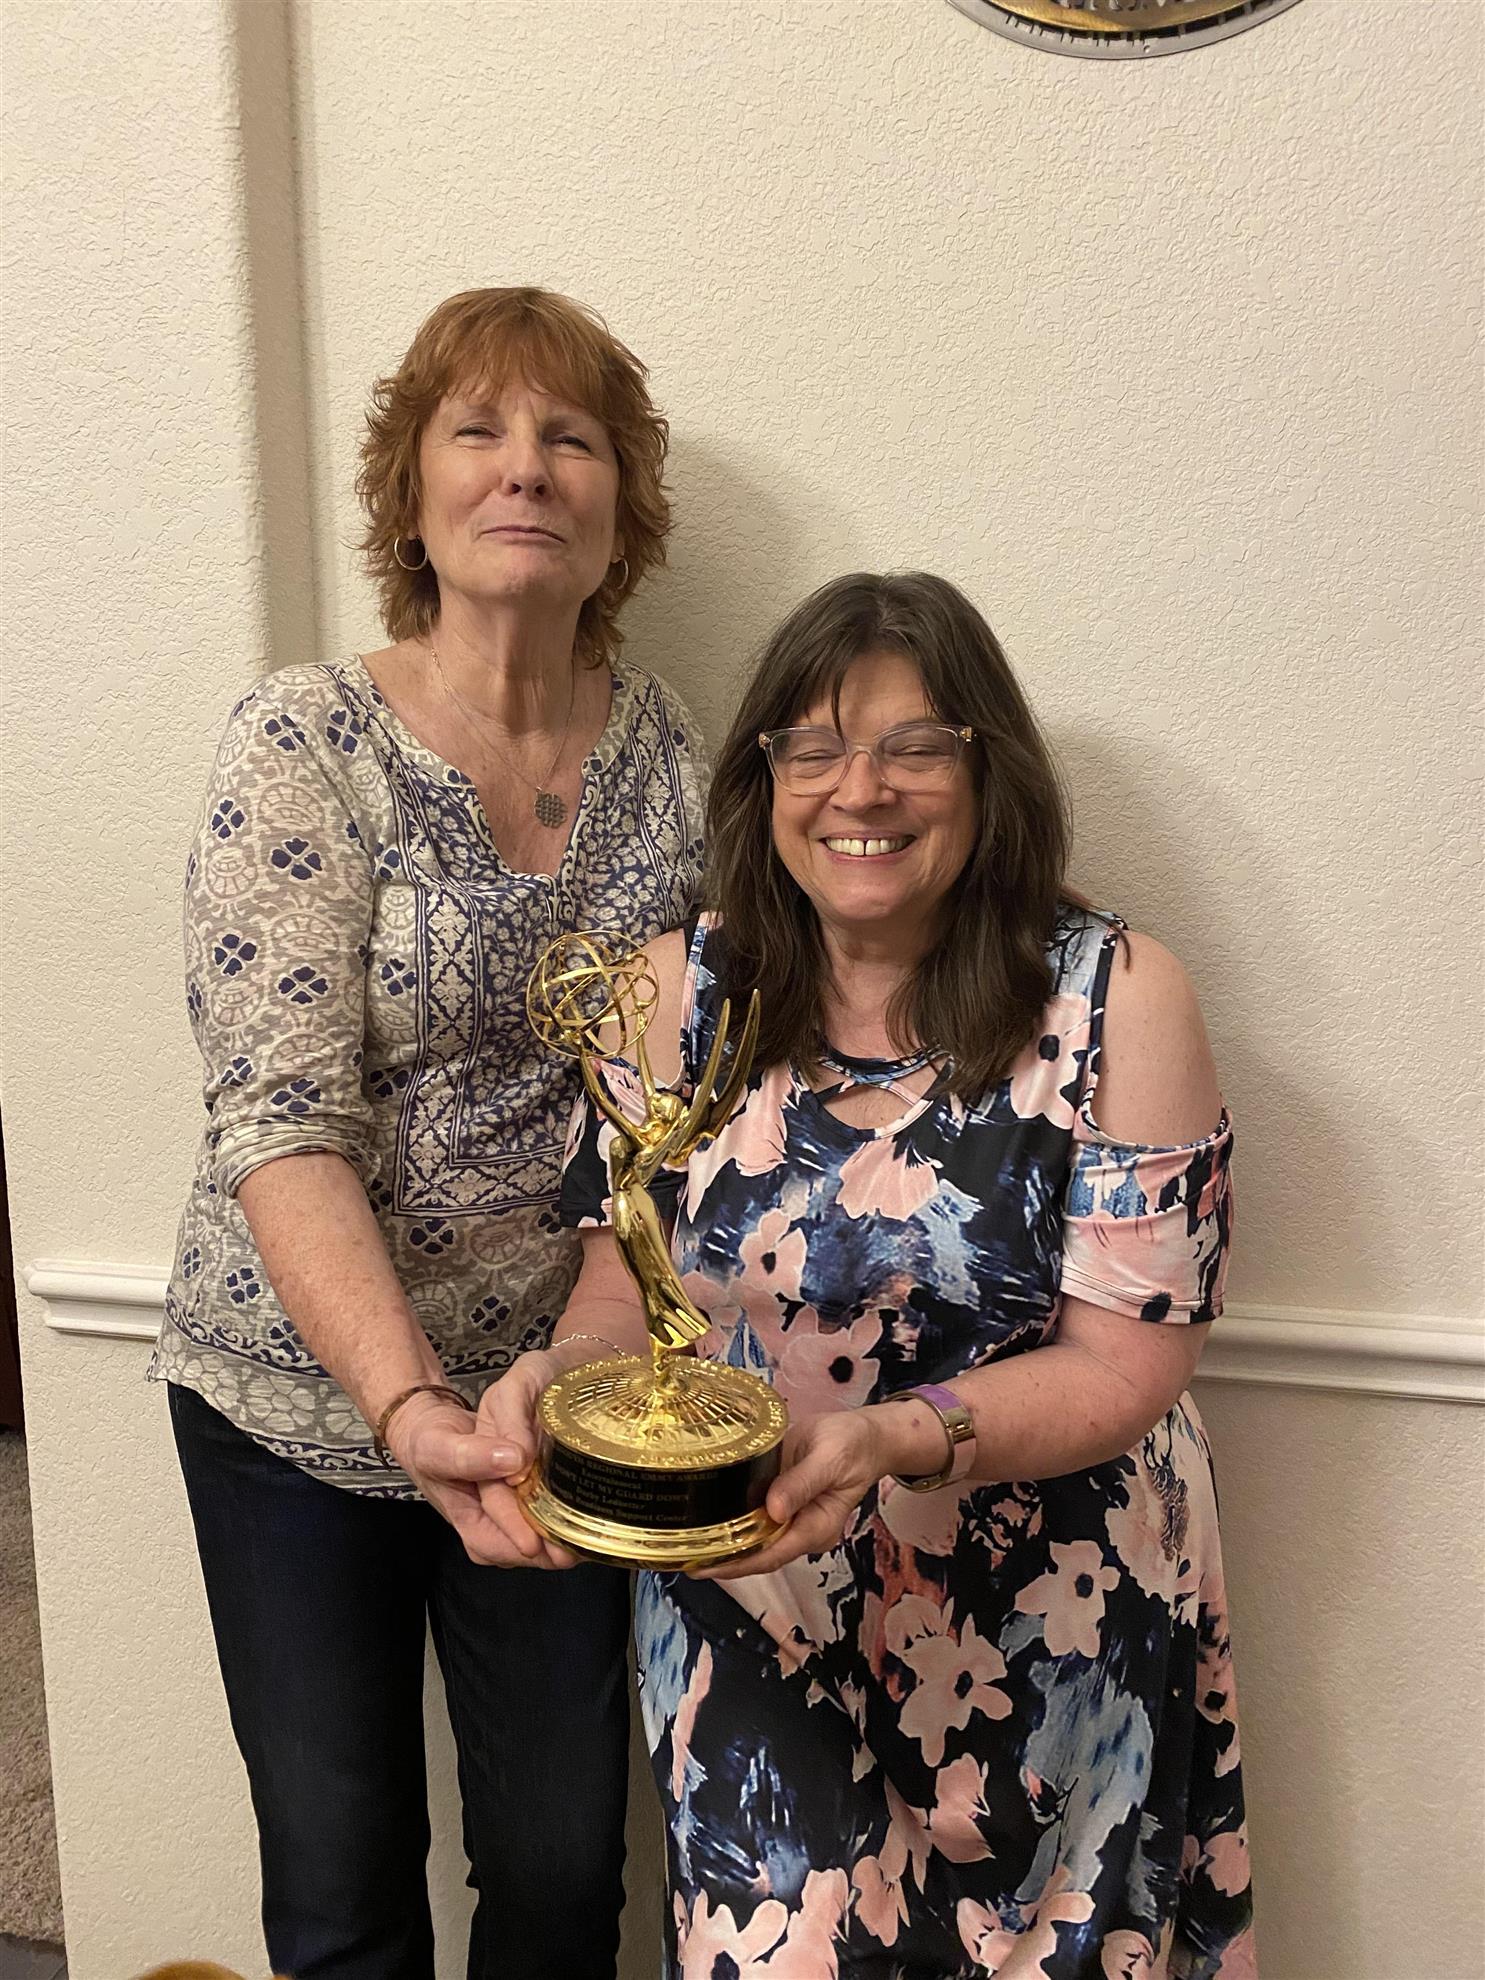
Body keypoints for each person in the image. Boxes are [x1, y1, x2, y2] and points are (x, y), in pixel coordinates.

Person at [478, 572, 1255, 1977]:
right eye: (816, 748)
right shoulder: (674, 994)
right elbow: (620, 1291)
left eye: (915, 747)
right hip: (756, 1591)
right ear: (763, 779)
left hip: (1053, 1613)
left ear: (988, 774)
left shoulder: (1115, 998)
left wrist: (897, 1437)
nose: (862, 789)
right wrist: (566, 1390)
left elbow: (1127, 1363)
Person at [151, 287, 709, 1980]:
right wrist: (408, 1408)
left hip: (553, 1401)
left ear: (619, 505)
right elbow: (279, 1118)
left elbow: (658, 1130)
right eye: (478, 430)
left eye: (570, 437)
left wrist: (577, 1366)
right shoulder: (303, 739)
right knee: (341, 1882)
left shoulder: (672, 760)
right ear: (411, 494)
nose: (524, 467)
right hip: (293, 1400)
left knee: (559, 1868)